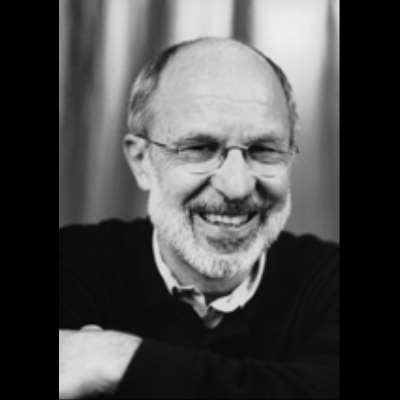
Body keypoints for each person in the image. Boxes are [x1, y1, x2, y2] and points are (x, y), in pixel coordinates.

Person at [59, 37, 339, 398]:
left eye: (264, 150)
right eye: (200, 148)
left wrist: (120, 359)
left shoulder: (330, 281)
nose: (237, 187)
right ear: (142, 161)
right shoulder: (70, 265)